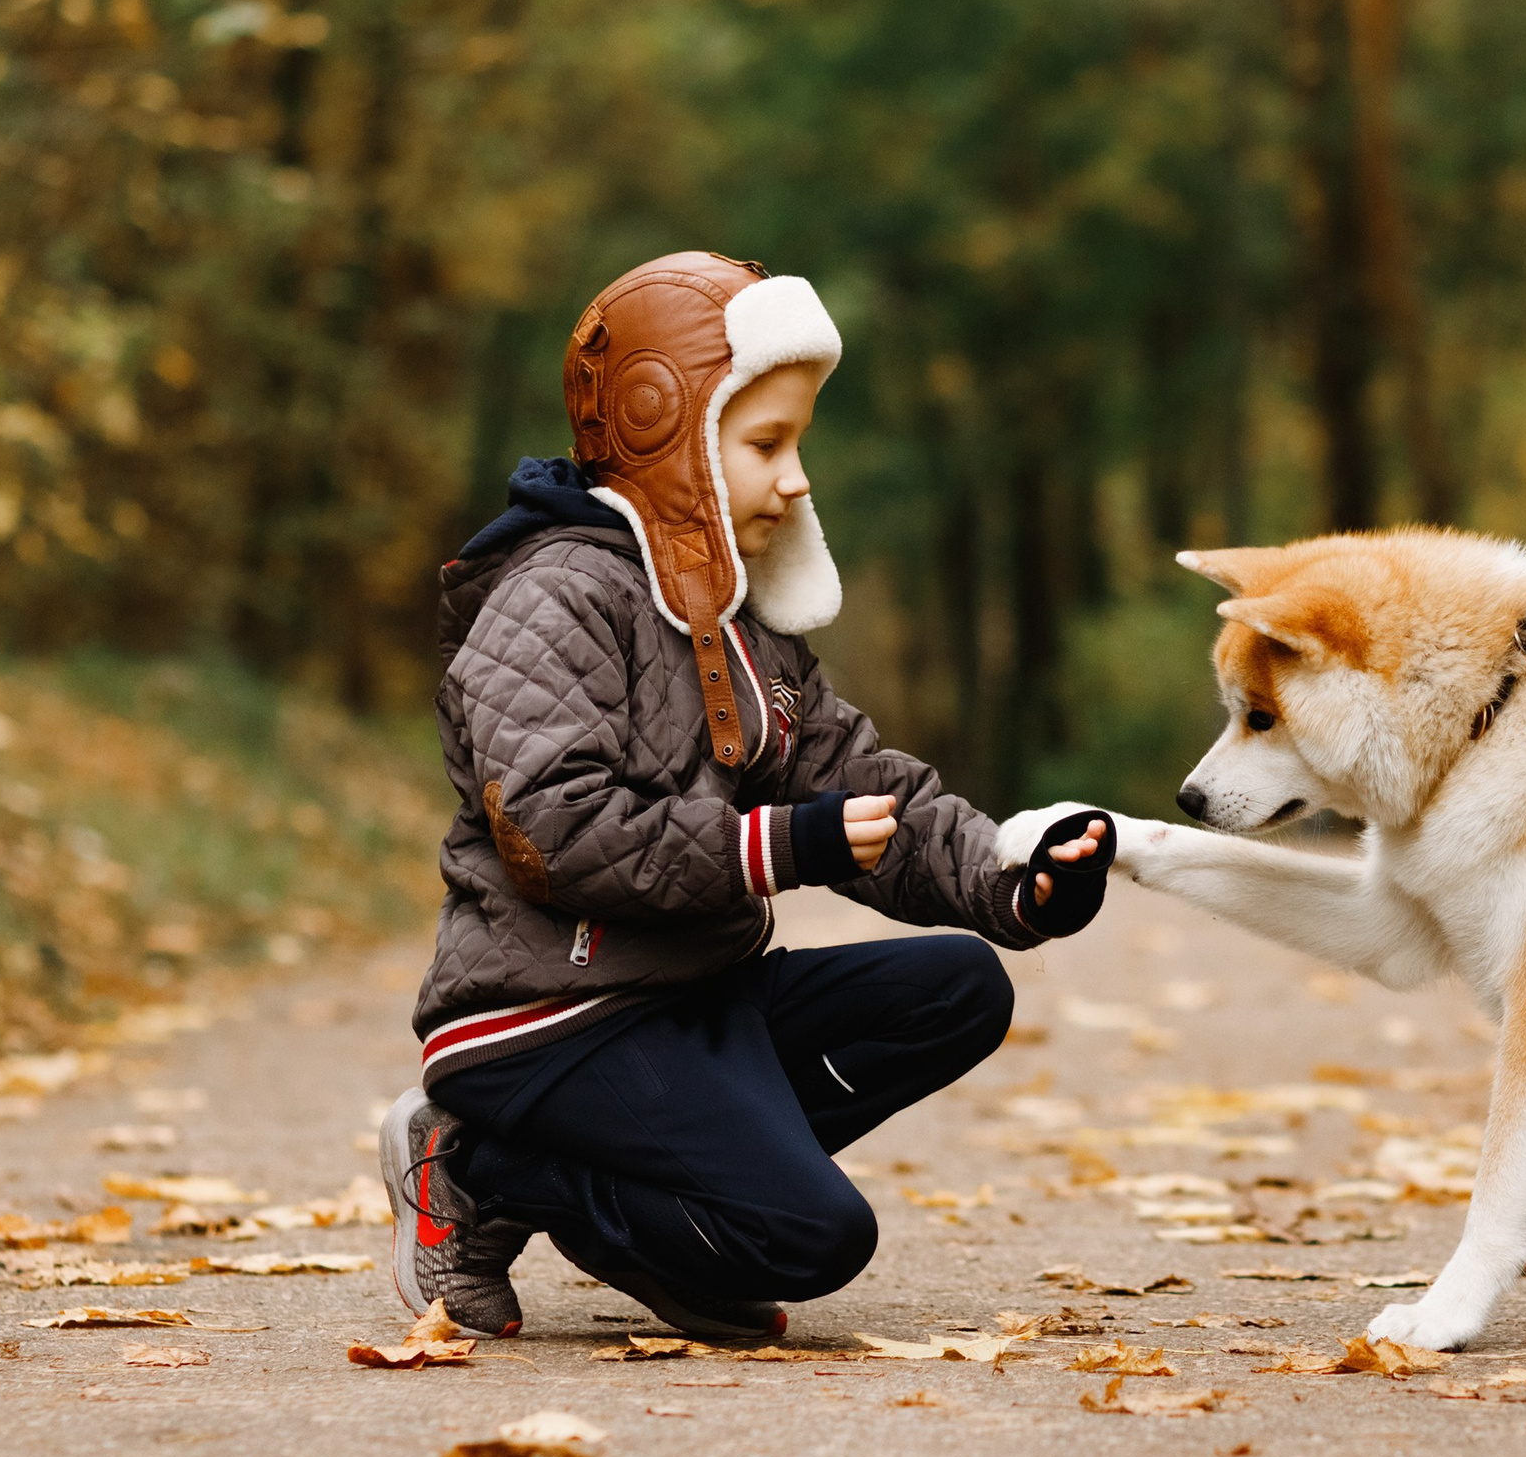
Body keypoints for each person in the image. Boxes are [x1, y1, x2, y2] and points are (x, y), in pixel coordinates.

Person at [381, 251, 1110, 1340]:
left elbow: (860, 782)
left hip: (689, 996)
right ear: (662, 435)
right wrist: (777, 847)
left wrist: (1010, 884)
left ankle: (676, 1224)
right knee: (815, 1239)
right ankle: (486, 1167)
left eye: (797, 443)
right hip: (551, 1020)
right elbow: (553, 830)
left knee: (960, 986)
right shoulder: (555, 598)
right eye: (766, 444)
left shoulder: (735, 623)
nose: (796, 477)